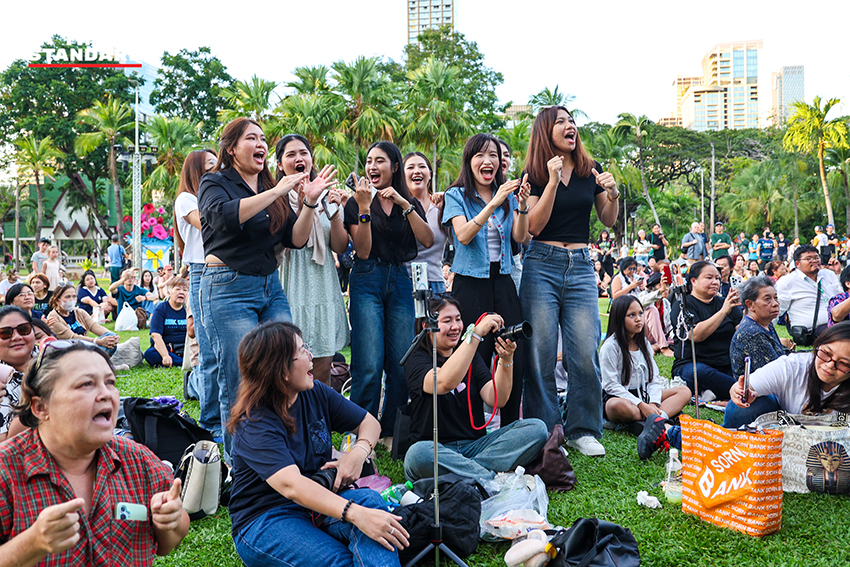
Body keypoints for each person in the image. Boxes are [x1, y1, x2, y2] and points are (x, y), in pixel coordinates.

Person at [199, 117, 336, 456]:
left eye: (263, 139)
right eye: (252, 139)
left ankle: (289, 452)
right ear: (231, 148)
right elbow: (224, 217)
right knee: (240, 378)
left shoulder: (270, 188)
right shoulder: (214, 182)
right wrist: (277, 190)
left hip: (270, 286)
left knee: (290, 365)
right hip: (227, 289)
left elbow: (296, 238)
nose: (260, 144)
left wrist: (309, 203)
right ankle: (241, 467)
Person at [228, 322, 408, 567]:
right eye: (302, 351)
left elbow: (370, 423)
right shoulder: (255, 422)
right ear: (281, 371)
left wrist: (358, 453)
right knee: (344, 557)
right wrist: (356, 514)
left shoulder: (315, 392)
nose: (311, 357)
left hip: (320, 501)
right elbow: (292, 486)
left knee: (371, 502)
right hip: (267, 518)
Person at [0, 341, 190, 564]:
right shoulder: (6, 470)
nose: (105, 394)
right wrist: (32, 543)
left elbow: (169, 543)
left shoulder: (138, 459)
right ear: (41, 407)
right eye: (86, 384)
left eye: (110, 382)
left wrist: (170, 521)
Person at [520, 106, 620, 456]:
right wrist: (550, 181)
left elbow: (607, 220)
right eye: (561, 121)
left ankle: (583, 429)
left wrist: (613, 195)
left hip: (579, 265)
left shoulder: (590, 171)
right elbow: (533, 225)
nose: (570, 126)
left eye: (572, 121)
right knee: (541, 354)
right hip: (540, 264)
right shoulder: (532, 173)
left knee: (584, 351)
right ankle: (548, 435)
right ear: (545, 131)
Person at [343, 141, 434, 446]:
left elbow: (427, 239)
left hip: (400, 280)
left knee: (400, 361)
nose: (372, 167)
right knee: (368, 362)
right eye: (369, 161)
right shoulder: (356, 202)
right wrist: (366, 208)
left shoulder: (407, 201)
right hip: (367, 278)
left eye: (379, 161)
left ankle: (391, 430)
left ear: (395, 167)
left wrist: (405, 204)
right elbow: (364, 251)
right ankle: (360, 432)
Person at [403, 296, 547, 482]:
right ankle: (490, 477)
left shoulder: (471, 354)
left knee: (536, 428)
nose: (456, 326)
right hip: (436, 449)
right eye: (447, 321)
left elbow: (497, 398)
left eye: (458, 319)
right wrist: (476, 333)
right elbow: (444, 383)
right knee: (417, 455)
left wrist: (506, 359)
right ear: (426, 327)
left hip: (476, 445)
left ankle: (467, 473)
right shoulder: (416, 358)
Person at [443, 133, 528, 427]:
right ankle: (471, 430)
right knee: (472, 354)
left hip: (502, 281)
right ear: (469, 161)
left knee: (512, 349)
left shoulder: (510, 196)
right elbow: (463, 235)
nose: (487, 160)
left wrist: (523, 206)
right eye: (479, 155)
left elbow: (520, 237)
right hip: (469, 284)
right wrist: (493, 204)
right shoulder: (456, 196)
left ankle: (511, 429)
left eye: (493, 155)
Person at [276, 134, 350, 387]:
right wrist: (306, 202)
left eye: (303, 153)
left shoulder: (326, 195)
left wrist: (335, 212)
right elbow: (295, 239)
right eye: (290, 154)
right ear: (279, 164)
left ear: (311, 159)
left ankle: (319, 422)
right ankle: (291, 422)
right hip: (291, 285)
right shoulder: (276, 198)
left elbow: (339, 246)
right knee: (288, 364)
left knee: (322, 367)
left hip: (323, 286)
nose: (298, 158)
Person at [599, 296, 690, 457]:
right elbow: (610, 385)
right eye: (631, 315)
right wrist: (642, 405)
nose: (638, 319)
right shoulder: (610, 347)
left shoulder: (644, 344)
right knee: (619, 406)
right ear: (619, 318)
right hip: (621, 398)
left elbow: (654, 378)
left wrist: (653, 402)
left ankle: (649, 422)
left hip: (646, 396)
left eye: (640, 313)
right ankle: (660, 420)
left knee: (684, 392)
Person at [725, 322, 850, 428]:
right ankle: (728, 445)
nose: (829, 365)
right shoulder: (793, 366)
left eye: (843, 363)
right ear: (817, 346)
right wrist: (739, 392)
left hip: (833, 449)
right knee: (743, 407)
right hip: (783, 429)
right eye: (826, 353)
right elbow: (744, 387)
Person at [174, 148, 220, 436]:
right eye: (212, 166)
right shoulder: (186, 199)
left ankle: (195, 383)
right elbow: (208, 222)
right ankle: (211, 422)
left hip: (229, 268)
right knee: (208, 349)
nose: (219, 170)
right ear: (196, 171)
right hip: (202, 271)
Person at [670, 261, 743, 400]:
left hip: (726, 363)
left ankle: (716, 392)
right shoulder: (682, 305)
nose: (715, 282)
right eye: (709, 278)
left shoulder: (726, 303)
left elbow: (742, 332)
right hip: (692, 364)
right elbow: (695, 335)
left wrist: (749, 311)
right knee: (700, 373)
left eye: (717, 278)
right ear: (694, 281)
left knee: (746, 370)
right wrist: (723, 311)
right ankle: (741, 392)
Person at [729, 276, 793, 379]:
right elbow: (777, 371)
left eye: (775, 297)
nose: (775, 304)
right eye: (767, 299)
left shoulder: (766, 324)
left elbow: (781, 352)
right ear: (750, 304)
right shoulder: (752, 333)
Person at [404, 151, 448, 294]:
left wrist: (446, 211)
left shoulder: (442, 205)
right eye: (410, 167)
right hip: (404, 283)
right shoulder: (394, 207)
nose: (416, 171)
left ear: (430, 173)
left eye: (421, 167)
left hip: (436, 283)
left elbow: (458, 242)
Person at [776, 244, 841, 342]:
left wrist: (838, 273)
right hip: (810, 331)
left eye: (816, 257)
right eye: (808, 258)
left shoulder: (828, 274)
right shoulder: (787, 281)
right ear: (797, 264)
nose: (814, 261)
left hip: (837, 323)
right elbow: (776, 310)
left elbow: (842, 297)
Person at [45, 284, 120, 354]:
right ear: (57, 300)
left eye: (74, 296)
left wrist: (113, 336)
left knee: (110, 337)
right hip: (68, 351)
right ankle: (99, 363)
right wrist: (97, 341)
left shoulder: (79, 312)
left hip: (85, 347)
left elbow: (94, 326)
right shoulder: (53, 318)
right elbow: (72, 337)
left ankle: (98, 363)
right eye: (67, 297)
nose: (72, 300)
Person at [0, 306, 36, 441]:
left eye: (23, 329)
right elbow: (4, 444)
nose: (16, 337)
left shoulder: (53, 358)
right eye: (5, 333)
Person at [144, 278, 188, 368]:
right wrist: (165, 355)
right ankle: (184, 363)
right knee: (150, 354)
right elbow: (155, 335)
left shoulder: (189, 310)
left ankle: (179, 362)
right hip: (167, 347)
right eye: (178, 289)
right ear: (169, 293)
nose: (182, 292)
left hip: (186, 347)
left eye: (185, 290)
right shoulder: (161, 309)